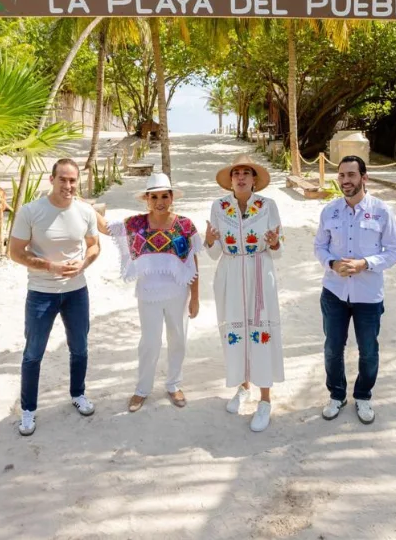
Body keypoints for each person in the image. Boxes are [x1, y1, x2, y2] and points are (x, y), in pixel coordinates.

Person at [9, 158, 101, 436]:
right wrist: (50, 266)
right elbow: (15, 252)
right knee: (33, 353)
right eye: (63, 179)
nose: (68, 185)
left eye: (73, 180)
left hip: (76, 292)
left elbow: (94, 246)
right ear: (52, 180)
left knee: (80, 348)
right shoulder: (31, 211)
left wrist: (83, 264)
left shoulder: (85, 212)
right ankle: (28, 410)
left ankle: (78, 394)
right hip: (41, 293)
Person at [96, 173, 201, 412]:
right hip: (148, 293)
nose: (160, 201)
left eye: (165, 195)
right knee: (150, 343)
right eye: (154, 197)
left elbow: (193, 262)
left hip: (178, 292)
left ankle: (174, 385)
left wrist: (195, 297)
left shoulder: (185, 225)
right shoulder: (136, 224)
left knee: (179, 340)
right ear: (147, 199)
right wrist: (80, 202)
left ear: (172, 197)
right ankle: (142, 389)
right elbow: (105, 228)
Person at [314, 155, 396, 425]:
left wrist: (366, 264)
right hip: (334, 293)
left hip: (368, 295)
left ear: (364, 177)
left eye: (351, 175)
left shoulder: (382, 211)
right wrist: (332, 263)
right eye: (341, 175)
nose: (345, 181)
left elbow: (394, 252)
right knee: (332, 348)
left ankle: (363, 396)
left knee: (368, 350)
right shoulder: (330, 211)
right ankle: (337, 395)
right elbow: (319, 247)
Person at [205, 153, 284, 432]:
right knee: (235, 333)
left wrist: (274, 243)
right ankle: (242, 386)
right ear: (230, 180)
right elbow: (214, 253)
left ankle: (264, 400)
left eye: (246, 173)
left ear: (254, 180)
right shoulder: (219, 206)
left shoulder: (268, 206)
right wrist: (210, 240)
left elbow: (280, 249)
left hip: (259, 273)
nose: (240, 177)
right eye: (236, 173)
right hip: (229, 274)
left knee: (260, 332)